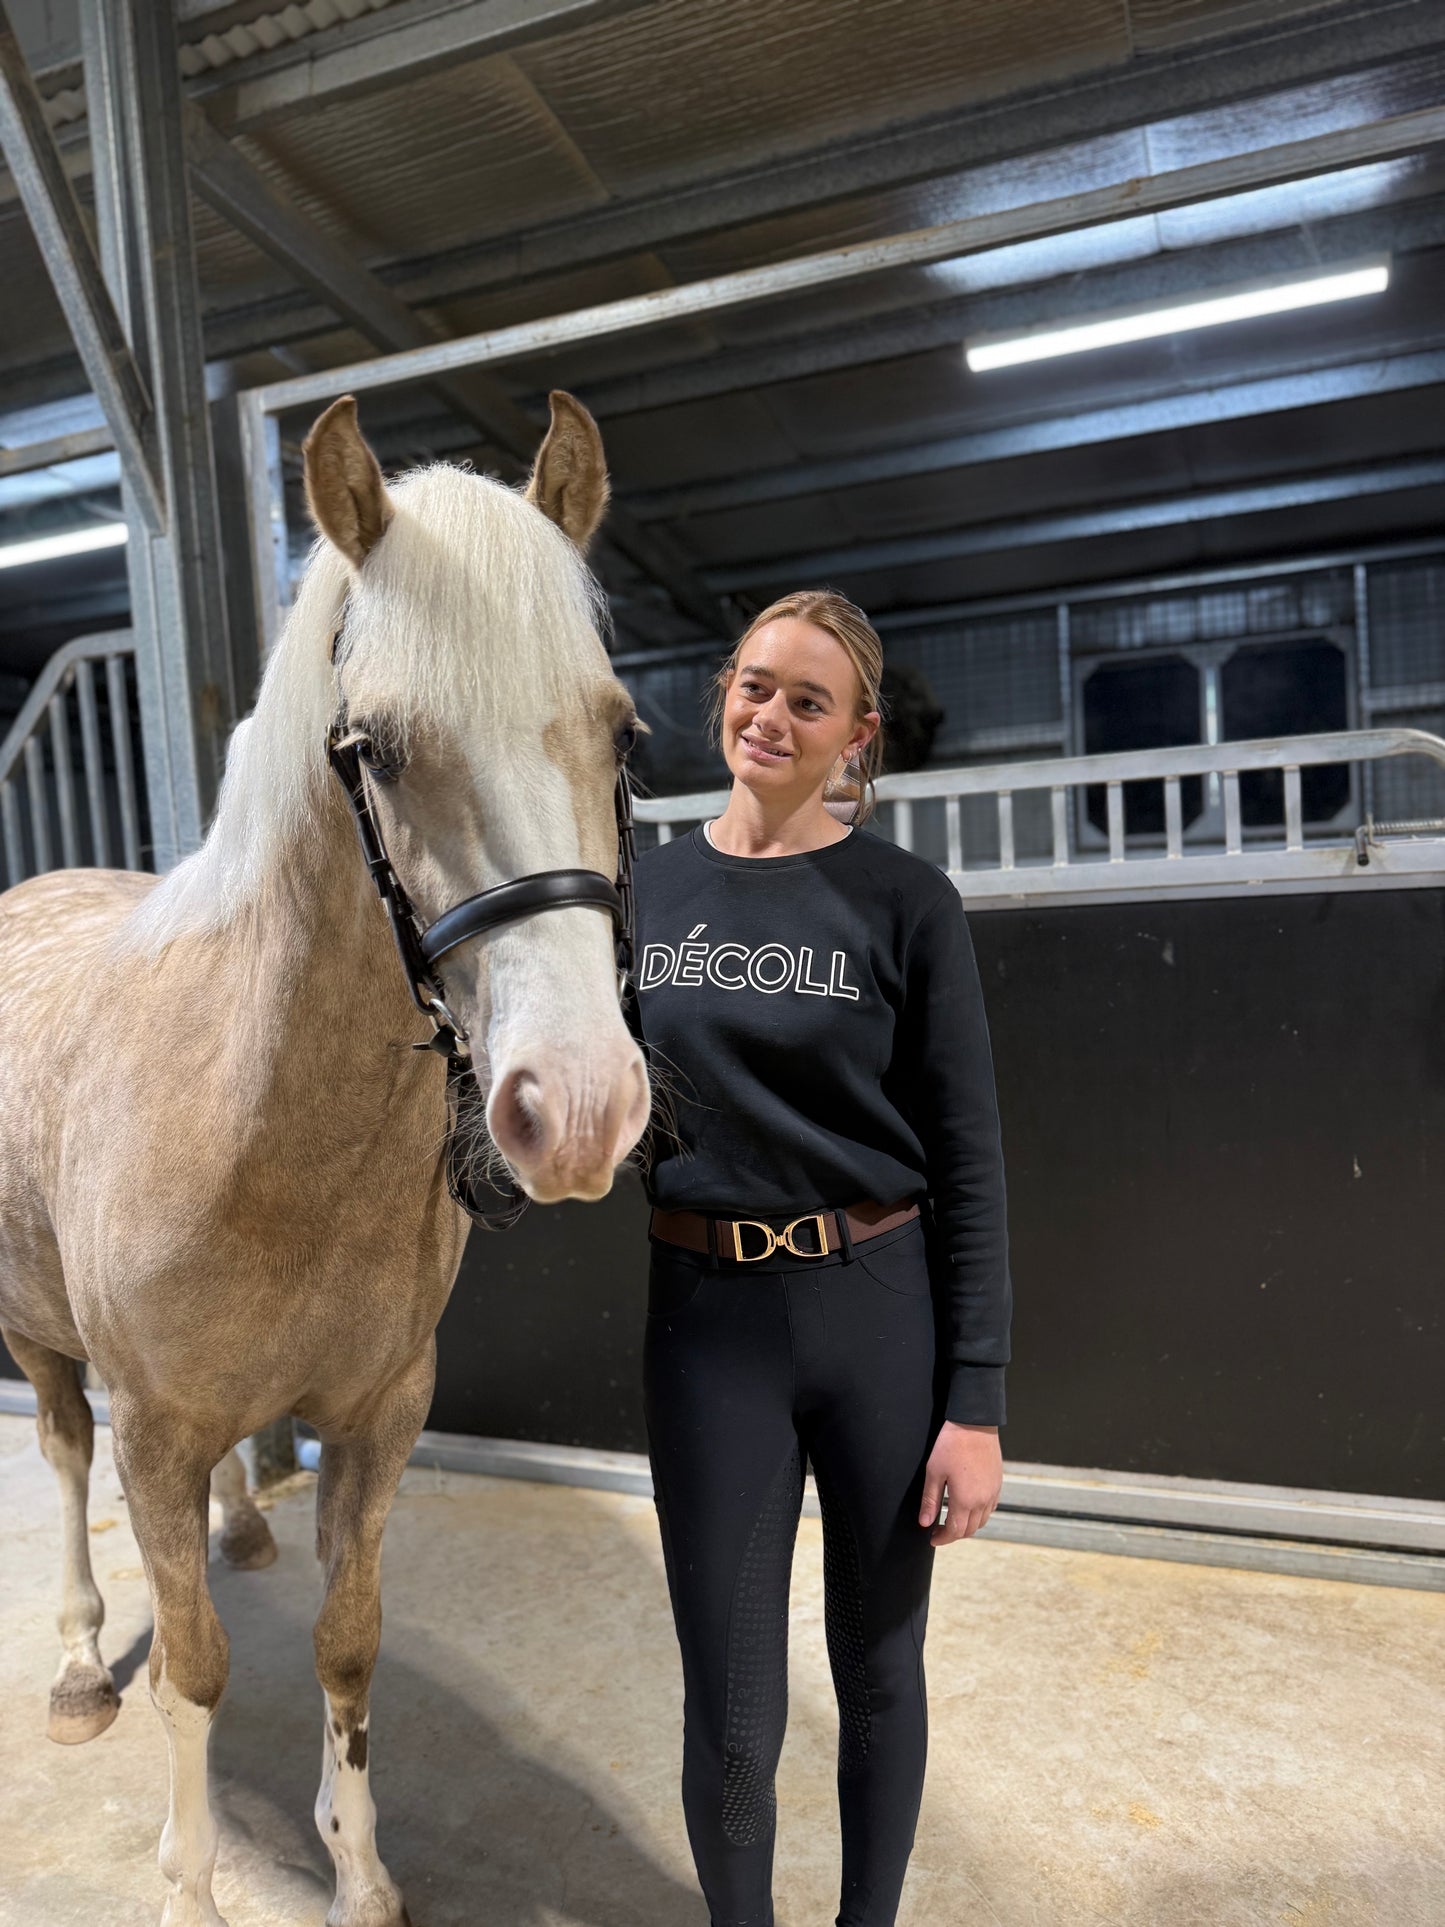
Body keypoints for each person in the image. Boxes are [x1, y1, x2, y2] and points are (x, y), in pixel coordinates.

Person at [624, 588, 1012, 1927]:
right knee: (729, 1695)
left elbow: (967, 1160)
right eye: (749, 684)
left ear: (859, 738)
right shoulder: (644, 886)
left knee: (878, 1663)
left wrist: (975, 1400)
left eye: (805, 698)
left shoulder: (904, 900)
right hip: (706, 1323)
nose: (767, 714)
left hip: (873, 1316)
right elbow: (613, 1106)